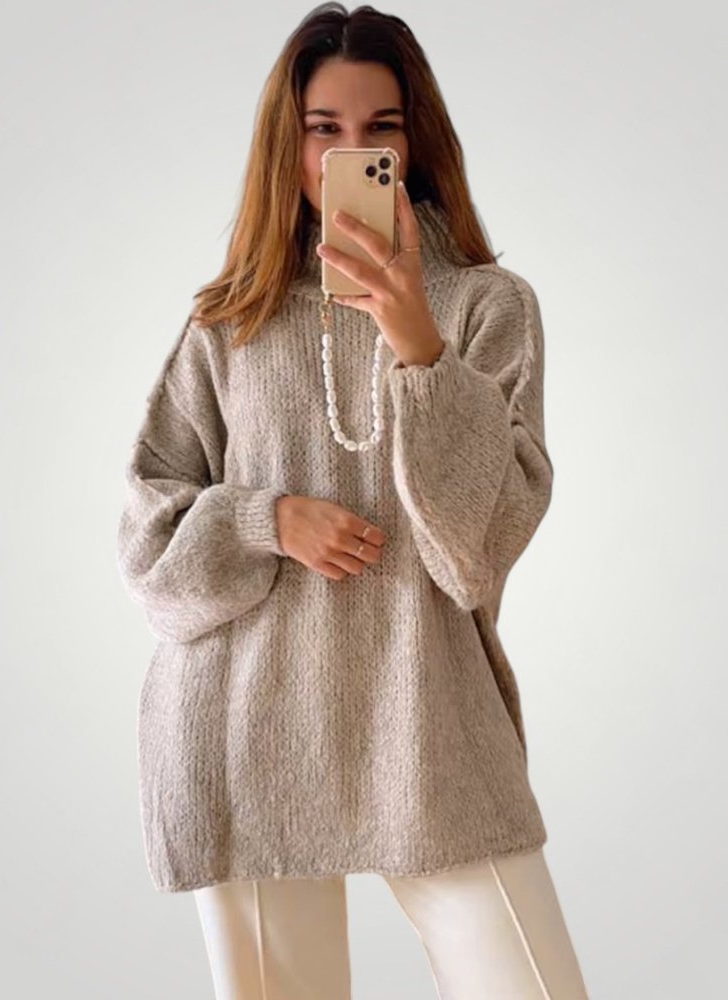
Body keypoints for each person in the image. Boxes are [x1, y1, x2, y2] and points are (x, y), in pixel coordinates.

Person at [116, 3, 591, 998]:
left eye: (381, 127)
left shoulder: (488, 307)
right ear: (286, 145)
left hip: (428, 726)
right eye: (323, 128)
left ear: (415, 144)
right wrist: (264, 519)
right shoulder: (228, 321)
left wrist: (419, 343)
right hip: (243, 731)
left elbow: (479, 551)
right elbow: (149, 551)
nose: (350, 150)